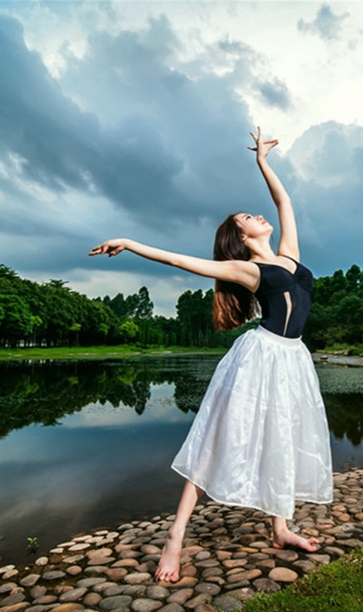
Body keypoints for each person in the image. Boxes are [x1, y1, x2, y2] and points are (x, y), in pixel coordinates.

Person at [89, 127, 333, 583]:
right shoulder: (247, 268)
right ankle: (175, 537)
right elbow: (181, 262)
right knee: (219, 438)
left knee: (283, 436)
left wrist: (262, 162)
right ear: (240, 236)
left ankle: (280, 528)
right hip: (260, 358)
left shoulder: (290, 257)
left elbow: (285, 204)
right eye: (247, 217)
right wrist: (129, 241)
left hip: (294, 359)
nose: (259, 215)